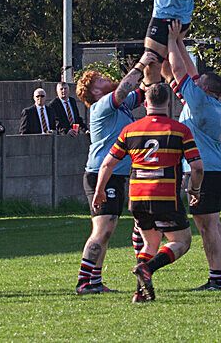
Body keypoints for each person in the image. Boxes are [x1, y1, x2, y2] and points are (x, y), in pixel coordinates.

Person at [164, 20, 221, 290]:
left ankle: (217, 280)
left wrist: (170, 40)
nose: (195, 81)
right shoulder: (212, 101)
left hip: (204, 171)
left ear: (204, 89)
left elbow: (180, 69)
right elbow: (191, 72)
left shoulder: (200, 102)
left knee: (206, 228)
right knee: (211, 222)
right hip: (220, 170)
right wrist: (181, 41)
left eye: (199, 83)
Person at [93, 83, 204, 303]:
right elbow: (197, 166)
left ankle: (139, 294)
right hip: (165, 198)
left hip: (138, 198)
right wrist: (195, 189)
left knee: (150, 243)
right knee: (182, 242)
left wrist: (99, 192)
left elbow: (107, 164)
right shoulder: (179, 130)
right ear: (169, 103)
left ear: (145, 104)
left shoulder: (130, 130)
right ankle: (148, 269)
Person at [73, 53, 156, 294]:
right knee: (103, 229)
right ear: (94, 92)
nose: (104, 77)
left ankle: (95, 282)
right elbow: (122, 91)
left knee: (107, 230)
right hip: (101, 174)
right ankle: (83, 282)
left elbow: (144, 89)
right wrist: (140, 64)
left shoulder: (119, 104)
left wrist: (154, 61)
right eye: (98, 79)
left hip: (117, 174)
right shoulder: (103, 104)